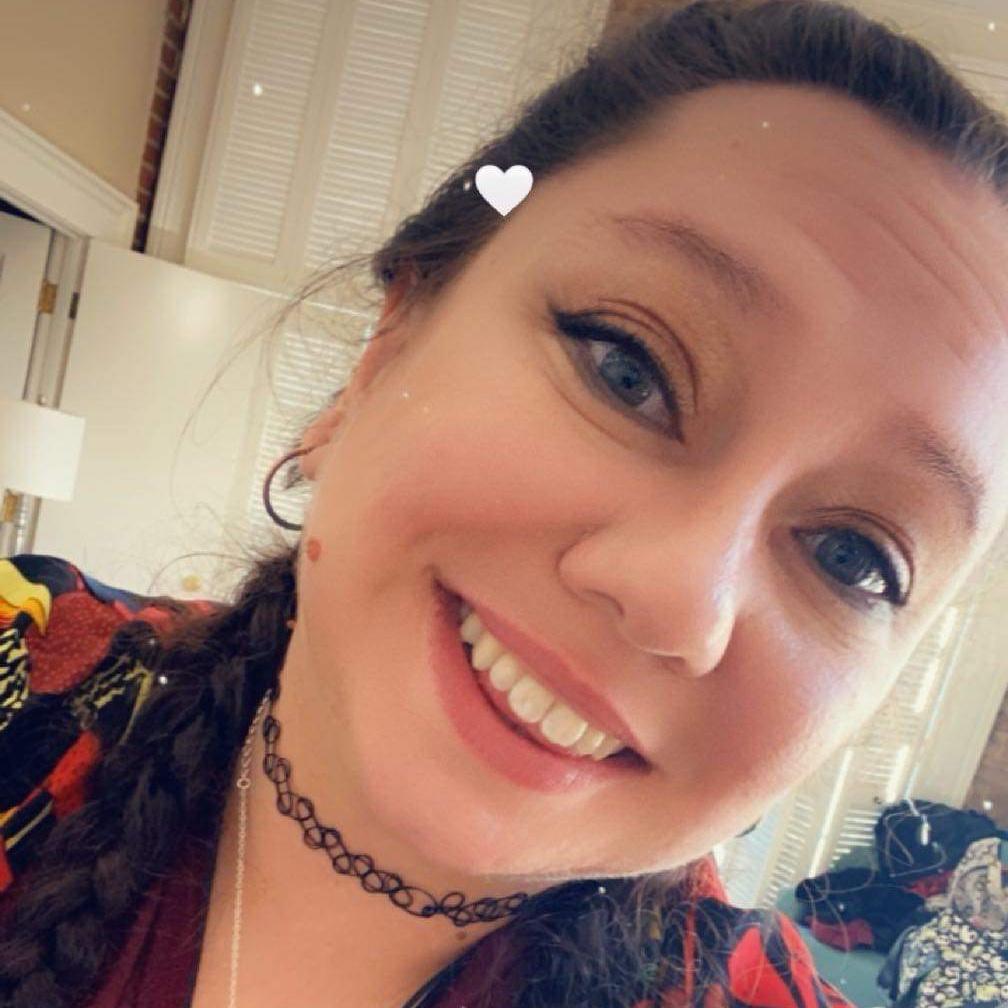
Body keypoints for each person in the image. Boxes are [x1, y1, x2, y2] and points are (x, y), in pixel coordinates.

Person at [1, 0, 1007, 1005]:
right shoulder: (27, 669)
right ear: (392, 339)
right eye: (628, 368)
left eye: (851, 556)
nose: (678, 599)